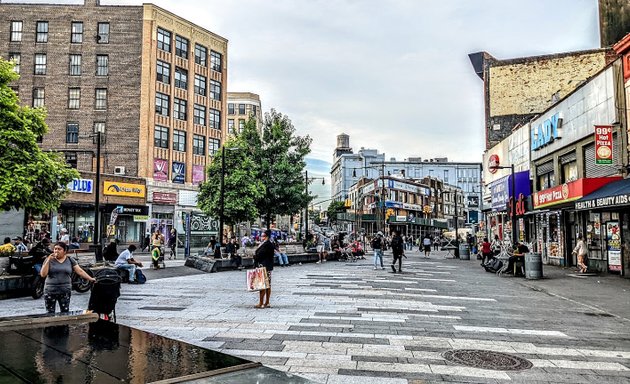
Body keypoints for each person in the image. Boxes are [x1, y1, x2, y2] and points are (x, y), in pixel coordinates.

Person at [40, 241, 96, 313]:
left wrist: (90, 279)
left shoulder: (70, 260)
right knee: (50, 312)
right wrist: (48, 260)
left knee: (65, 311)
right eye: (55, 249)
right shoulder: (49, 260)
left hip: (65, 290)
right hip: (50, 291)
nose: (56, 251)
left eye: (59, 249)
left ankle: (64, 324)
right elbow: (43, 274)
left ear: (65, 251)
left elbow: (79, 271)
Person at [254, 229, 274, 308]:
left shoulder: (267, 244)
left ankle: (261, 302)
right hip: (267, 266)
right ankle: (267, 302)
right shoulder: (268, 244)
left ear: (266, 237)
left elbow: (261, 255)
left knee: (262, 284)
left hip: (263, 266)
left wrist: (255, 257)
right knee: (267, 284)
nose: (261, 237)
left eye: (263, 236)